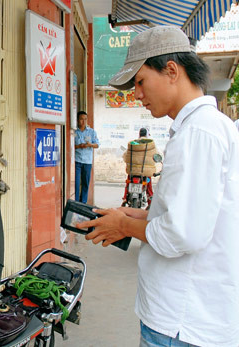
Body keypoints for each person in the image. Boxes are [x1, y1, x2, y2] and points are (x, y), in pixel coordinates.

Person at [77, 26, 239, 347]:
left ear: (171, 71)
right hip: (188, 317)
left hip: (182, 322)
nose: (136, 94)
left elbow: (184, 233)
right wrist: (137, 216)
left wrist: (123, 225)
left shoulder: (199, 132)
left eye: (140, 82)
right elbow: (197, 211)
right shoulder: (205, 126)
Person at [121, 127, 154, 207]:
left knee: (128, 180)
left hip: (134, 170)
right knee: (149, 184)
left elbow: (126, 155)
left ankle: (125, 197)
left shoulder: (134, 143)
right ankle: (150, 200)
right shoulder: (150, 144)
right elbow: (156, 153)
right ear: (147, 134)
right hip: (144, 171)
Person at [74, 111, 99, 202]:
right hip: (77, 161)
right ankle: (76, 203)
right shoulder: (74, 132)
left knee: (85, 183)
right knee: (76, 183)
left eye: (85, 119)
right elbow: (70, 146)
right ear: (77, 120)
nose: (83, 121)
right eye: (81, 119)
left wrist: (90, 145)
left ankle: (83, 203)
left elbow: (97, 145)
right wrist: (78, 146)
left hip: (87, 162)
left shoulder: (92, 132)